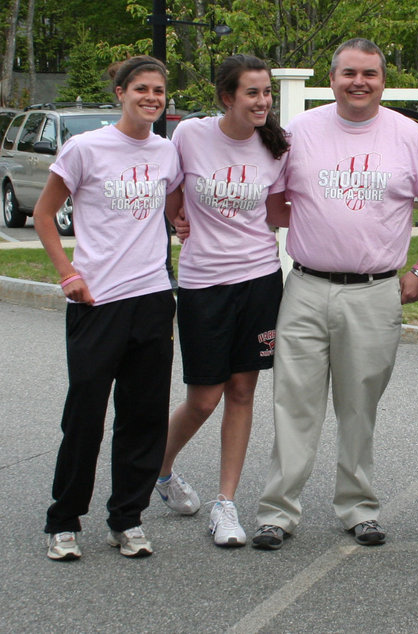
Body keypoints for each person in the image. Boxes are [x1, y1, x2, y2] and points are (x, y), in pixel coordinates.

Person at [252, 38, 418, 550]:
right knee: (293, 402)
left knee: (359, 406)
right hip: (307, 286)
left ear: (383, 80)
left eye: (369, 74)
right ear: (333, 77)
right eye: (348, 74)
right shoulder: (300, 133)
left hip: (375, 292)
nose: (358, 82)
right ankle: (277, 512)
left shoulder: (410, 137)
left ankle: (359, 507)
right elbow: (273, 202)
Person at [34, 56, 183, 560]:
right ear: (120, 93)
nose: (151, 97)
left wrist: (182, 224)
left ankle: (127, 519)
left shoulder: (167, 154)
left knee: (143, 417)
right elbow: (44, 213)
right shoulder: (85, 148)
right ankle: (63, 521)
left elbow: (174, 207)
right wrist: (67, 273)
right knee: (85, 415)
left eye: (159, 90)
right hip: (98, 301)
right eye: (141, 88)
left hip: (153, 299)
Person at [154, 54, 289, 547]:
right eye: (252, 92)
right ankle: (161, 470)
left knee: (242, 391)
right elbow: (171, 189)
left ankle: (225, 505)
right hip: (203, 283)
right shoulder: (190, 135)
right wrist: (176, 220)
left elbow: (277, 209)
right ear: (227, 96)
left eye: (267, 92)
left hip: (259, 279)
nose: (263, 101)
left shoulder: (276, 147)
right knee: (204, 397)